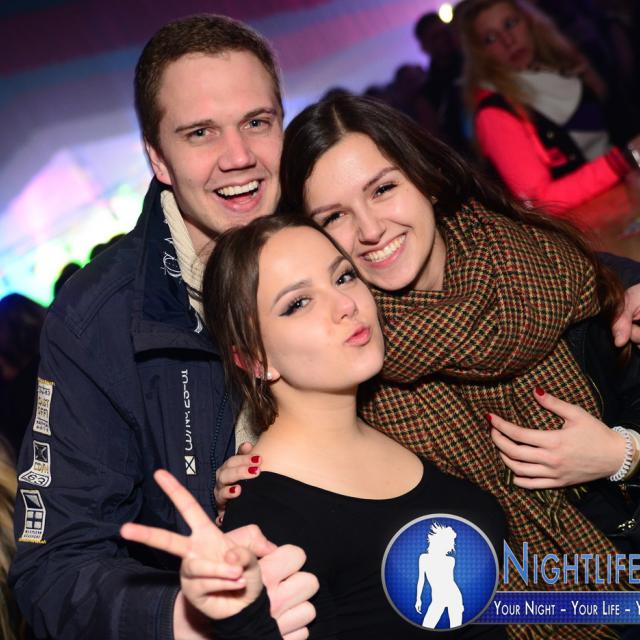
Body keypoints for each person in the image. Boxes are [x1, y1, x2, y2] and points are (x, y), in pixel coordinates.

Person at [274, 94, 640, 629]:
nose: (370, 230)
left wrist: (622, 454)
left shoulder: (549, 269)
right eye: (335, 217)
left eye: (382, 189)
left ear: (426, 180)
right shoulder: (348, 370)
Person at [9, 15, 318, 640]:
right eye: (200, 133)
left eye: (257, 122)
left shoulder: (334, 235)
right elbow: (54, 570)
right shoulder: (98, 318)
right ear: (159, 158)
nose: (239, 157)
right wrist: (190, 614)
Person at [204, 214, 507, 638]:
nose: (346, 305)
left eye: (343, 277)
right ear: (255, 360)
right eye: (299, 303)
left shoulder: (403, 419)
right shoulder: (267, 522)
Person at [453, 0, 640, 214]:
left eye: (510, 24)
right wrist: (621, 161)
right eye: (491, 38)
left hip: (623, 199)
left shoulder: (559, 65)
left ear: (529, 20)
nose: (508, 41)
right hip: (588, 221)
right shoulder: (495, 111)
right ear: (481, 52)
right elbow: (539, 201)